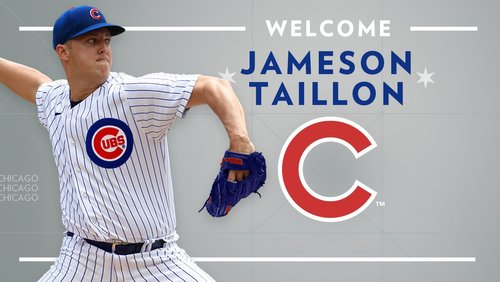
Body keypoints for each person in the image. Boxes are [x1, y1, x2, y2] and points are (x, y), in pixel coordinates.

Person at [0, 5, 256, 281]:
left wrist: (239, 140)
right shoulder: (55, 100)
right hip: (81, 259)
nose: (103, 48)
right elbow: (32, 82)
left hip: (155, 260)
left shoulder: (131, 95)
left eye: (106, 41)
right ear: (63, 52)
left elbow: (215, 87)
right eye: (91, 41)